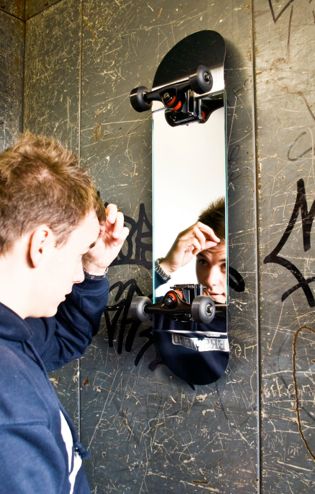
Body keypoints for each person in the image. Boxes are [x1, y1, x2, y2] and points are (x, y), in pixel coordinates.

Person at [0, 133, 129, 493]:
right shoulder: (11, 417)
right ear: (41, 244)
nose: (77, 273)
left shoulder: (12, 332)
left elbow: (63, 337)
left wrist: (95, 265)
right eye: (77, 254)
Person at [151, 198, 228, 387]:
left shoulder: (269, 325)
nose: (210, 279)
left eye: (226, 265)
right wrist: (167, 266)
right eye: (203, 262)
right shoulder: (174, 312)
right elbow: (114, 312)